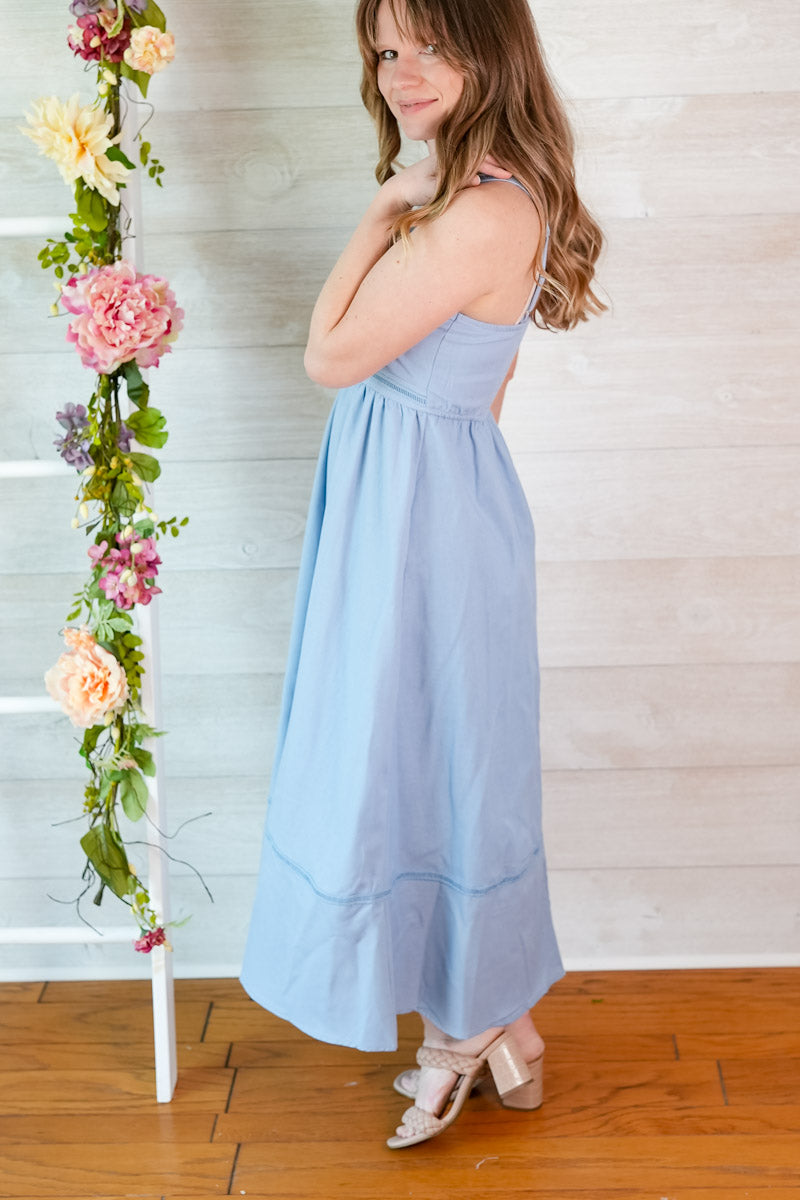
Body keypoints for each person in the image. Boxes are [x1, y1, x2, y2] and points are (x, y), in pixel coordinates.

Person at [240, 0, 605, 1149]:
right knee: (427, 754)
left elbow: (328, 356)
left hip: (422, 527)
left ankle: (471, 1026)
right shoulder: (486, 198)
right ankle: (496, 1024)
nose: (398, 71)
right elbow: (482, 388)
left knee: (433, 757)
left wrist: (376, 208)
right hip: (418, 511)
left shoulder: (473, 211)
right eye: (384, 50)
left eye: (425, 45)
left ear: (483, 49)